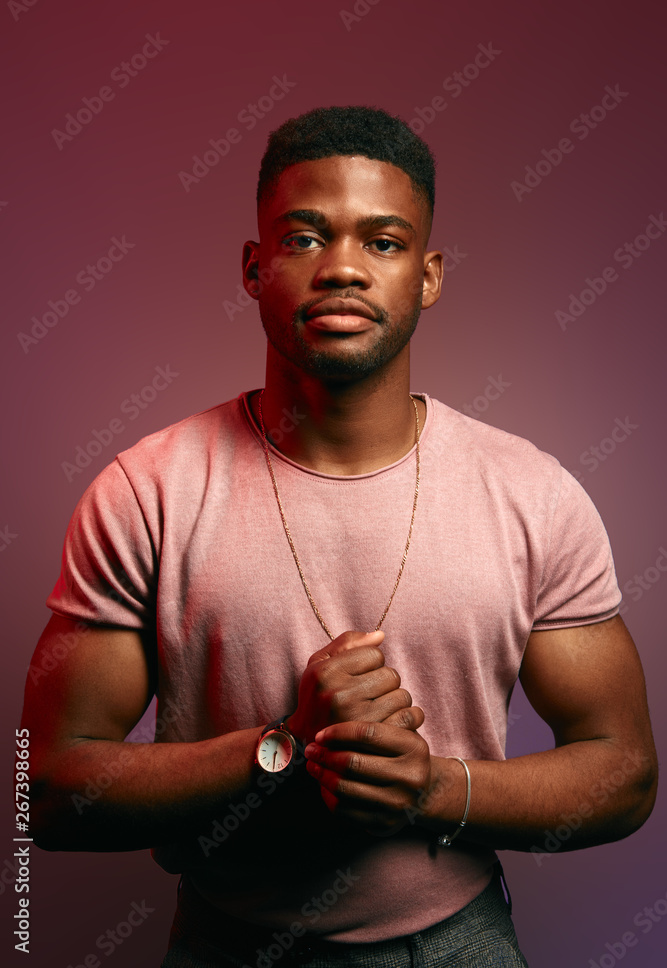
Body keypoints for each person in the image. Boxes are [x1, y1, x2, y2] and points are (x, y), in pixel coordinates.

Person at [23, 106, 657, 968]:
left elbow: (624, 776)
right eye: (305, 237)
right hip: (227, 942)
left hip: (456, 942)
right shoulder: (147, 492)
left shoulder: (531, 495)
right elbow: (53, 794)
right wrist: (279, 747)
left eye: (384, 242)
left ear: (428, 277)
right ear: (254, 267)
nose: (344, 269)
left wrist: (430, 787)